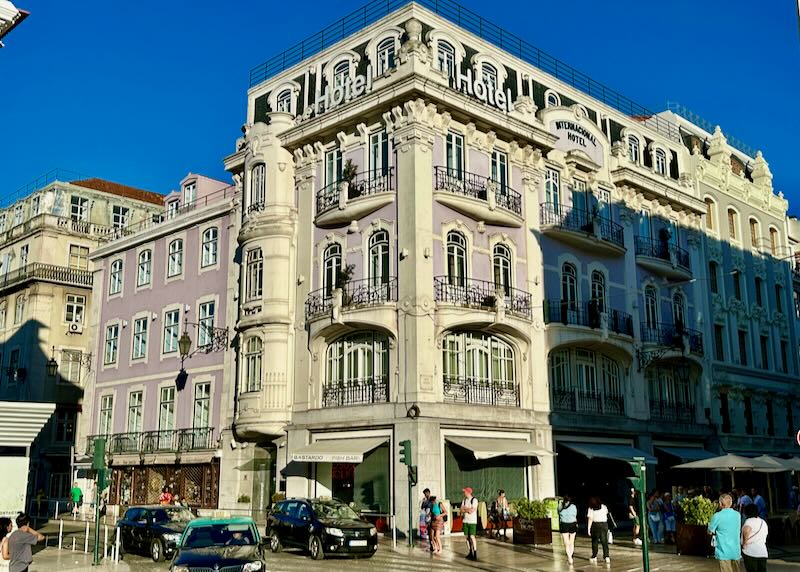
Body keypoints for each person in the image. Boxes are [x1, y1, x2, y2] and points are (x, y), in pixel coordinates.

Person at [708, 494, 741, 572]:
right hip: (736, 551)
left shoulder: (717, 516)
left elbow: (710, 531)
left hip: (723, 551)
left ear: (720, 503)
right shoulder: (737, 515)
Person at [741, 503, 768, 572]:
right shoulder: (763, 522)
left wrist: (744, 543)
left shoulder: (749, 521)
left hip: (750, 552)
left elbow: (746, 530)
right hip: (762, 552)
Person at [587, 496, 611, 565]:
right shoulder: (604, 506)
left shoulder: (591, 508)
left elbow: (590, 519)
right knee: (604, 541)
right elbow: (606, 513)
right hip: (604, 525)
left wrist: (589, 529)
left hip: (595, 525)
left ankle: (594, 556)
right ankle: (606, 556)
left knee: (595, 541)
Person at [558, 495, 578, 566]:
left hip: (564, 524)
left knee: (566, 543)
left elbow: (559, 513)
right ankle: (571, 556)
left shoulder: (560, 506)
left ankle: (569, 558)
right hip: (572, 524)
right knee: (571, 542)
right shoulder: (573, 506)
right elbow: (575, 515)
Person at [461, 487, 479, 561]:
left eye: (465, 491)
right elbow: (461, 509)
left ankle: (475, 552)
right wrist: (467, 509)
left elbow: (472, 511)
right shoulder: (464, 500)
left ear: (468, 492)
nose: (464, 493)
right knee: (467, 537)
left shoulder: (474, 500)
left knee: (472, 536)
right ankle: (470, 552)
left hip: (472, 521)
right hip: (465, 520)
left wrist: (466, 509)